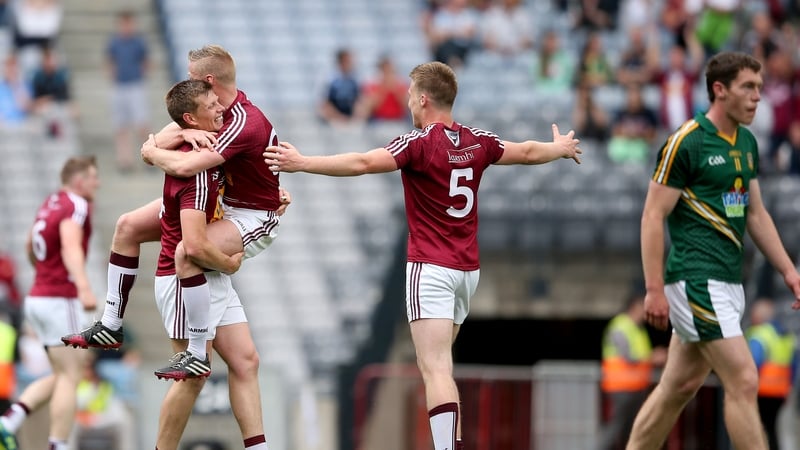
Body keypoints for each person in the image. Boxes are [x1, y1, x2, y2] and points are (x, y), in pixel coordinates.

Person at [263, 60, 582, 450]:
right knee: (442, 366)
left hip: (430, 268)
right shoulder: (478, 140)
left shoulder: (418, 143)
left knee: (435, 369)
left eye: (412, 96)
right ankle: (454, 442)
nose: (409, 103)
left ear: (425, 99)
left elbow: (363, 163)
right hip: (467, 271)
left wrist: (302, 163)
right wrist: (560, 148)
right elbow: (529, 152)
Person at [62, 44, 289, 378]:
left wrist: (153, 153)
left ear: (209, 81)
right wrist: (180, 133)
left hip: (250, 214)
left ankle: (196, 352)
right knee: (127, 226)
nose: (188, 82)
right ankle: (111, 325)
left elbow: (182, 164)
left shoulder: (239, 120)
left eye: (192, 77)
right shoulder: (203, 112)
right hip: (221, 202)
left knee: (189, 252)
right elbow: (162, 137)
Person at [627, 51, 800, 450]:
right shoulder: (686, 143)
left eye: (759, 87)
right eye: (748, 87)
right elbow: (652, 216)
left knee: (678, 387)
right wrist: (654, 289)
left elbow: (756, 214)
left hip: (727, 280)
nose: (758, 96)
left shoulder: (747, 142)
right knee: (743, 378)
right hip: (695, 279)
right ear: (719, 90)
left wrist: (789, 271)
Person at [149, 79, 267, 450]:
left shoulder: (208, 143)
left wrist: (269, 196)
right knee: (194, 377)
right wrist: (231, 265)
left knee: (246, 360)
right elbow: (194, 246)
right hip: (185, 278)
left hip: (207, 276)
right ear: (191, 119)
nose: (221, 109)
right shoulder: (194, 168)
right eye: (211, 105)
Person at [0, 155, 100, 450]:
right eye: (94, 177)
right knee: (73, 376)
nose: (98, 182)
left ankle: (10, 420)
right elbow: (70, 245)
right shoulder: (76, 204)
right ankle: (59, 444)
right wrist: (83, 287)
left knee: (61, 374)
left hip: (37, 298)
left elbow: (30, 244)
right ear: (80, 181)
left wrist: (44, 270)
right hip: (60, 299)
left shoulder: (51, 202)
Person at [597, 292, 666, 450]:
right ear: (634, 307)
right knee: (617, 428)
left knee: (632, 430)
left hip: (635, 387)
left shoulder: (637, 329)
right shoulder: (620, 326)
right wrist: (653, 357)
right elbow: (628, 357)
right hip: (622, 387)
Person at [745, 297, 798, 450]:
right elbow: (794, 367)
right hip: (779, 393)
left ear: (758, 316)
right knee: (771, 428)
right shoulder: (786, 336)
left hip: (760, 390)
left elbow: (753, 364)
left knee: (754, 428)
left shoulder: (760, 334)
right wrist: (789, 389)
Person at [106, 9, 150, 173]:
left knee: (141, 123)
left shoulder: (138, 42)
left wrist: (140, 74)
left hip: (135, 85)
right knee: (121, 126)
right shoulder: (114, 42)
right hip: (119, 86)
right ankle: (125, 160)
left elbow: (145, 61)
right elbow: (110, 61)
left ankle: (149, 156)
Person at [317, 48, 362, 125]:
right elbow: (324, 103)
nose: (351, 64)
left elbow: (359, 100)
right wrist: (339, 117)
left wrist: (354, 117)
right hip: (333, 118)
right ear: (341, 62)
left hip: (350, 118)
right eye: (348, 61)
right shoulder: (329, 79)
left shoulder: (355, 79)